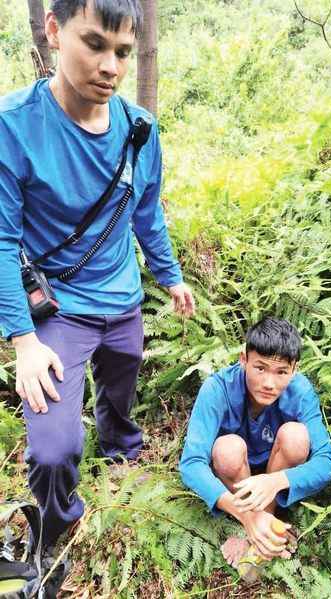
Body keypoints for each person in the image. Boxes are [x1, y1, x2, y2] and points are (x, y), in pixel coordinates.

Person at [0, 0, 195, 556]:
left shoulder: (139, 129)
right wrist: (24, 341)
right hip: (57, 313)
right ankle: (59, 527)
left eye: (123, 53)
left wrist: (170, 276)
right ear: (55, 32)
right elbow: (1, 241)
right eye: (95, 44)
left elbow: (146, 212)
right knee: (53, 451)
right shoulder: (13, 127)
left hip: (125, 300)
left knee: (122, 379)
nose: (110, 65)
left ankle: (120, 444)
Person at [179, 317, 331, 564]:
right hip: (234, 475)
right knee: (227, 449)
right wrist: (247, 514)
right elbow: (191, 464)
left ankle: (265, 522)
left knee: (296, 436)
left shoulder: (301, 391)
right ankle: (256, 525)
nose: (268, 383)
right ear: (244, 360)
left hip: (276, 468)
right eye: (260, 368)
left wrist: (276, 480)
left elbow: (326, 463)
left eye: (281, 372)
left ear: (294, 370)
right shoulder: (217, 388)